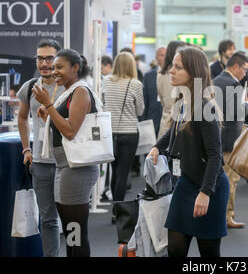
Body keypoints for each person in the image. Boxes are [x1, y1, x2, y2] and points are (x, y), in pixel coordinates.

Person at [148, 46, 229, 257]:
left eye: (178, 67)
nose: (171, 71)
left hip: (209, 187)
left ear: (194, 72)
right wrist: (158, 146)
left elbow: (215, 156)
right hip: (186, 184)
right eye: (172, 66)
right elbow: (175, 131)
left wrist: (205, 193)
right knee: (175, 248)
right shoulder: (184, 100)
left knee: (209, 252)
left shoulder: (205, 107)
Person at [33, 48, 102, 257]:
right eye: (53, 67)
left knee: (75, 233)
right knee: (72, 232)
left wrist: (49, 105)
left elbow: (71, 131)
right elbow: (63, 129)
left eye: (59, 67)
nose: (54, 71)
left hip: (76, 169)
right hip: (67, 167)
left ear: (76, 67)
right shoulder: (70, 91)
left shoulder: (80, 91)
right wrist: (49, 115)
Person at [17, 39, 64, 257]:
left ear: (58, 59)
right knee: (48, 220)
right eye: (40, 58)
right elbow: (22, 117)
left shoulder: (68, 86)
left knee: (73, 220)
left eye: (49, 58)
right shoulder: (29, 87)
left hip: (68, 164)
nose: (44, 63)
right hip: (41, 164)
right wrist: (26, 149)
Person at [103, 52, 144, 210]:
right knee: (123, 173)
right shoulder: (135, 84)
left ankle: (115, 207)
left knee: (114, 171)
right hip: (129, 133)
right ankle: (117, 209)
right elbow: (140, 111)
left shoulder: (106, 81)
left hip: (109, 133)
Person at [213, 52, 248, 229]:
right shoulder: (234, 85)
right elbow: (239, 113)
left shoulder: (214, 81)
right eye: (244, 69)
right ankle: (227, 216)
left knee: (215, 179)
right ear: (236, 66)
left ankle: (216, 214)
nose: (245, 73)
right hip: (230, 140)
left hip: (217, 139)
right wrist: (247, 105)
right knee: (230, 180)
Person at [157, 40, 187, 139]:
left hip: (165, 120)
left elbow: (161, 98)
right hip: (179, 122)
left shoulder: (160, 74)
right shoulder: (183, 74)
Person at [143, 46, 166, 137]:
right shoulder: (149, 76)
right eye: (161, 55)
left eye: (166, 55)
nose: (164, 58)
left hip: (168, 118)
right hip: (152, 118)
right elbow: (145, 100)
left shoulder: (174, 75)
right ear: (156, 58)